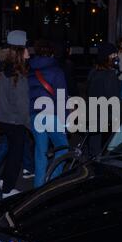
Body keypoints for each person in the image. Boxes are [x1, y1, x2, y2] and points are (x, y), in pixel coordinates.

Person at [28, 39, 69, 189]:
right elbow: (61, 97)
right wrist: (66, 120)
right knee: (63, 149)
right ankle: (52, 181)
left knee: (41, 153)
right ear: (52, 52)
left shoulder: (30, 69)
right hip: (51, 114)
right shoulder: (56, 70)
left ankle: (38, 188)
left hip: (35, 114)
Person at [0, 30, 30, 197]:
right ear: (20, 51)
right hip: (16, 121)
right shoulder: (19, 76)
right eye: (26, 47)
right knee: (16, 155)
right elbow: (22, 106)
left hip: (3, 118)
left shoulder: (4, 69)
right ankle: (8, 190)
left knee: (9, 150)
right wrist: (30, 125)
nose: (29, 51)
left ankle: (3, 180)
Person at [87, 42, 122, 155]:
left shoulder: (93, 72)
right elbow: (114, 100)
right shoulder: (109, 76)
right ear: (106, 57)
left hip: (93, 115)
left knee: (93, 149)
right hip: (106, 119)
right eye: (113, 55)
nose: (116, 57)